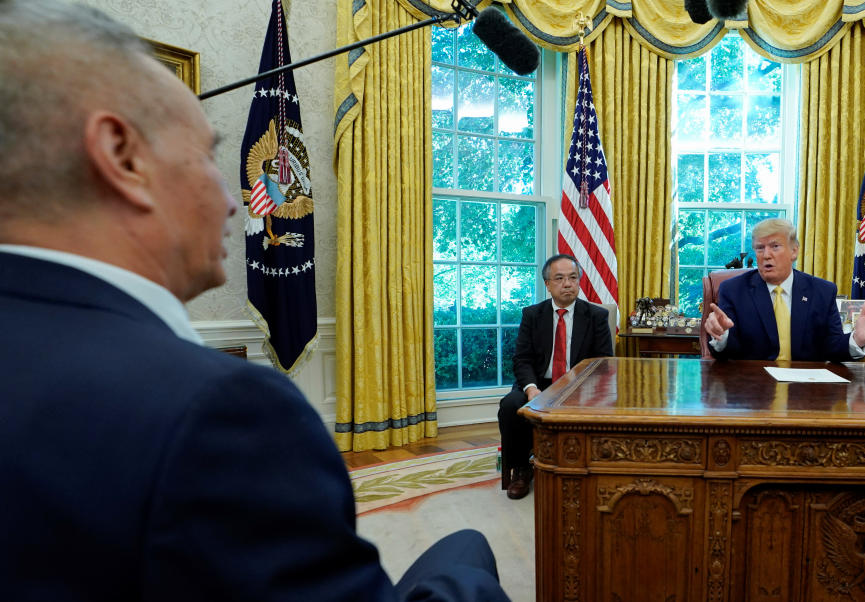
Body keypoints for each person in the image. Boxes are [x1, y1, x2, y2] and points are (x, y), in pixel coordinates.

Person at [0, 1, 508, 600]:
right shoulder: (220, 411)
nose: (235, 202)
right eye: (206, 157)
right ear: (121, 155)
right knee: (468, 549)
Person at [498, 254, 614, 499]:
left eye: (573, 278)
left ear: (579, 282)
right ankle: (520, 469)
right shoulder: (532, 315)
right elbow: (522, 359)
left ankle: (589, 465)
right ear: (548, 284)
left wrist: (581, 391)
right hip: (540, 383)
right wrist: (530, 389)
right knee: (510, 405)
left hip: (581, 385)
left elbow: (603, 364)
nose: (567, 284)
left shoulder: (596, 316)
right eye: (559, 278)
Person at [703, 218, 865, 362]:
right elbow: (731, 352)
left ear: (794, 251)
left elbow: (832, 348)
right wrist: (722, 336)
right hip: (752, 391)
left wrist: (856, 339)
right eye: (760, 248)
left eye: (775, 246)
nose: (766, 255)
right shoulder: (734, 290)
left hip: (806, 392)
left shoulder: (822, 291)